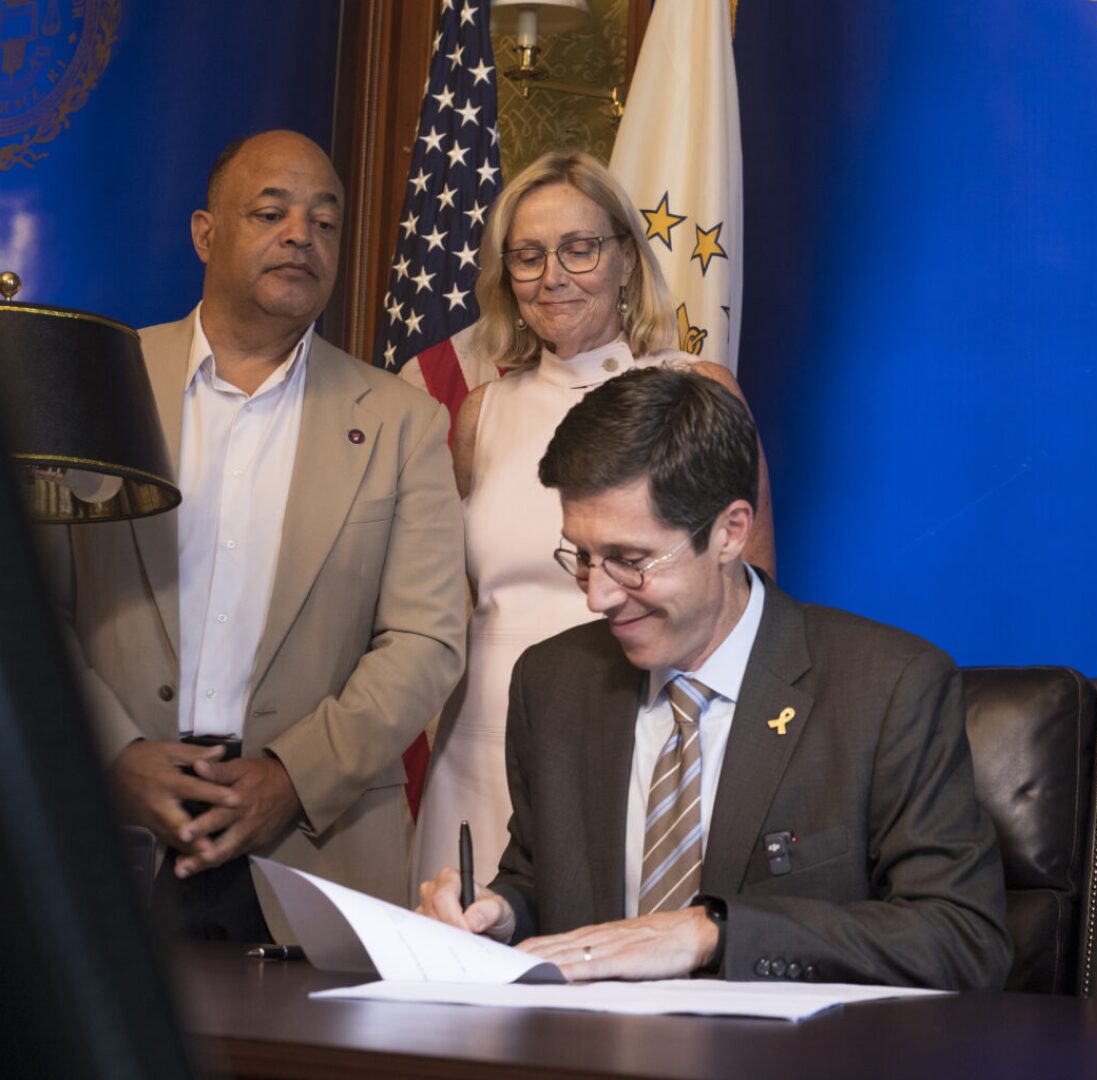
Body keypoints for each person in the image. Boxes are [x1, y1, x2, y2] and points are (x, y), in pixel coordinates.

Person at [417, 366, 1010, 989]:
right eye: (583, 557)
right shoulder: (554, 682)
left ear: (730, 532)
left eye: (630, 561)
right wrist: (501, 915)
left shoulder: (886, 690)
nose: (597, 596)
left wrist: (710, 934)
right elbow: (545, 881)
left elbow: (963, 940)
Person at [52, 130, 467, 942]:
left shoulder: (403, 423)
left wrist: (292, 776)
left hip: (317, 851)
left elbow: (427, 640)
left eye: (324, 222)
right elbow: (26, 608)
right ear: (206, 233)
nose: (300, 237)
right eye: (271, 212)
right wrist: (111, 754)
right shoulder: (97, 383)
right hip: (103, 839)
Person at [410, 152, 775, 896]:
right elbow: (457, 601)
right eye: (529, 255)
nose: (554, 276)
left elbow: (753, 588)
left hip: (636, 732)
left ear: (625, 260)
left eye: (579, 248)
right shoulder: (482, 413)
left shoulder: (696, 389)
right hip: (478, 744)